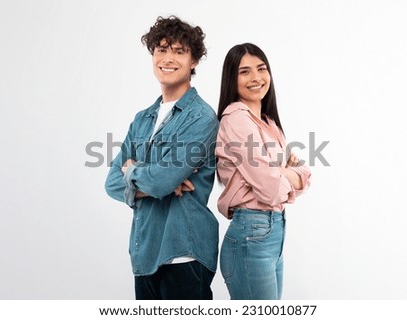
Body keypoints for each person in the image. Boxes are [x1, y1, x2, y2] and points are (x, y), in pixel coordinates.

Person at [105, 16, 219, 300]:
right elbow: (111, 183)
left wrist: (134, 172)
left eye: (180, 51)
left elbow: (159, 181)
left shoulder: (201, 118)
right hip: (144, 253)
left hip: (184, 254)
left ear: (194, 61)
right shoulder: (142, 119)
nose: (168, 58)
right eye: (162, 49)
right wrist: (157, 181)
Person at [215, 43, 311, 299]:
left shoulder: (269, 123)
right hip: (252, 235)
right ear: (231, 79)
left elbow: (303, 176)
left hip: (272, 233)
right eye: (244, 72)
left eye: (261, 68)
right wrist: (286, 173)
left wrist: (281, 173)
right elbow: (270, 189)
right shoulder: (236, 119)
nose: (256, 78)